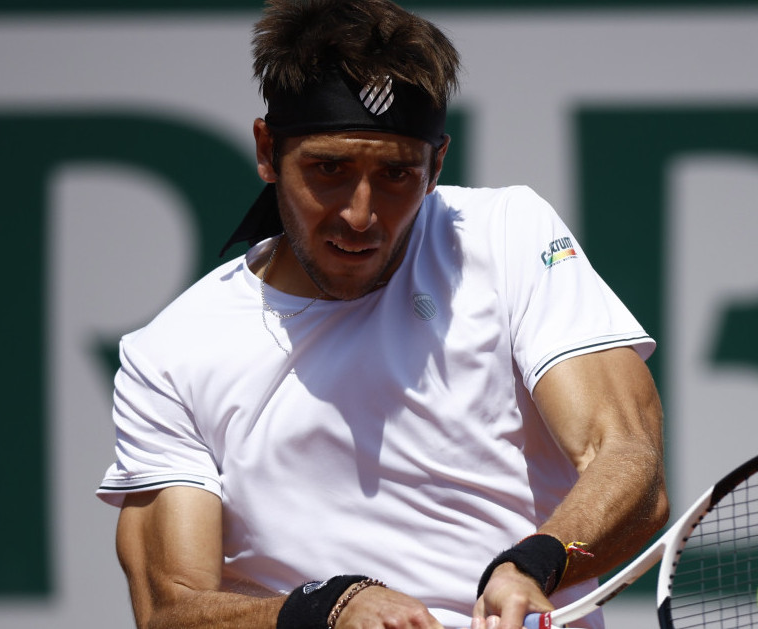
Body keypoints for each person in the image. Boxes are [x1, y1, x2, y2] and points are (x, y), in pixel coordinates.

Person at [97, 1, 668, 628]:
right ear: (267, 152)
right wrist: (325, 611)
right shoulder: (168, 356)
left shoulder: (506, 235)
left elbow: (630, 465)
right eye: (329, 169)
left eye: (396, 173)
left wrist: (536, 564)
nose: (360, 214)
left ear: (436, 166)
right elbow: (170, 610)